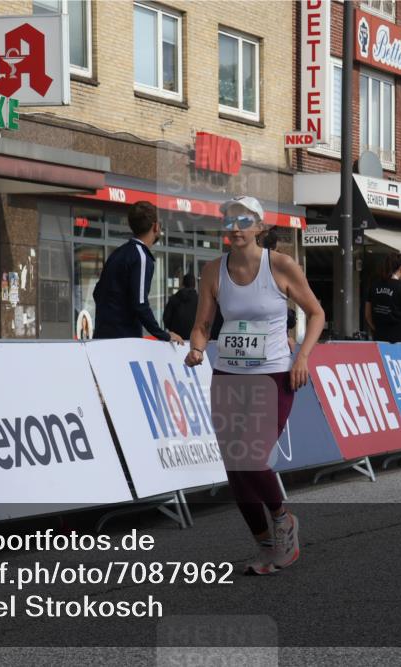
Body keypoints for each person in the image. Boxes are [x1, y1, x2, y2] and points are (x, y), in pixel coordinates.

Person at [185, 195, 325, 576]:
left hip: (274, 374)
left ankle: (284, 520)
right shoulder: (214, 271)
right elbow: (202, 325)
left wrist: (303, 357)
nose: (234, 227)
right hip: (228, 375)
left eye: (243, 220)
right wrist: (196, 349)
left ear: (259, 227)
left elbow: (316, 313)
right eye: (229, 221)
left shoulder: (280, 266)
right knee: (234, 466)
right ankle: (265, 544)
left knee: (251, 456)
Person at [92, 202, 184, 344]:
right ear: (155, 226)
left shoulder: (118, 253)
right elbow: (140, 304)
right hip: (124, 340)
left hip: (102, 337)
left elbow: (97, 292)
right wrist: (163, 335)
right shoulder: (141, 256)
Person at [365, 253, 401, 343]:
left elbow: (368, 315)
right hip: (400, 340)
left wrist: (379, 330)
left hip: (379, 339)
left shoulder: (374, 286)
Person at [162, 272, 198, 340]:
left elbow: (166, 318)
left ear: (182, 284)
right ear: (194, 285)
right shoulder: (199, 300)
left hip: (176, 339)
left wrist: (173, 329)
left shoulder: (174, 299)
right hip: (195, 339)